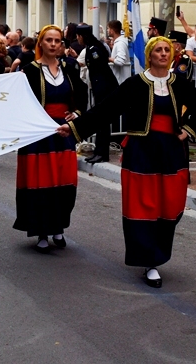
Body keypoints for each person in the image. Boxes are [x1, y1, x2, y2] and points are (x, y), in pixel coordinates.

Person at [62, 36, 196, 288]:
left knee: (169, 204)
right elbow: (106, 109)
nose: (163, 53)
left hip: (171, 152)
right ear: (149, 55)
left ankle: (157, 252)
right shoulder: (135, 84)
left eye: (166, 50)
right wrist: (75, 127)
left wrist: (187, 129)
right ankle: (149, 261)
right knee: (143, 205)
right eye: (158, 50)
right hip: (141, 150)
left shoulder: (179, 83)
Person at [16, 26, 86, 253]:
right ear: (41, 43)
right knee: (40, 183)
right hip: (38, 136)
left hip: (63, 134)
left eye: (57, 40)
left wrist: (76, 113)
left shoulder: (70, 68)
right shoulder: (29, 71)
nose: (54, 44)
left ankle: (59, 227)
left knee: (64, 182)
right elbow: (21, 103)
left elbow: (81, 96)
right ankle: (42, 232)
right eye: (49, 40)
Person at [76, 24, 118, 164]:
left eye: (78, 36)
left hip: (104, 89)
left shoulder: (94, 48)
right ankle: (99, 152)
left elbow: (100, 71)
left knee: (103, 121)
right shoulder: (91, 47)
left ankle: (102, 153)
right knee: (101, 121)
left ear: (82, 36)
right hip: (100, 88)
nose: (77, 39)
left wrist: (99, 90)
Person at [107, 20, 131, 85]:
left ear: (112, 30)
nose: (107, 30)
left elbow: (120, 61)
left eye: (108, 28)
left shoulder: (120, 43)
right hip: (120, 81)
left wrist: (108, 59)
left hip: (120, 82)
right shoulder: (119, 42)